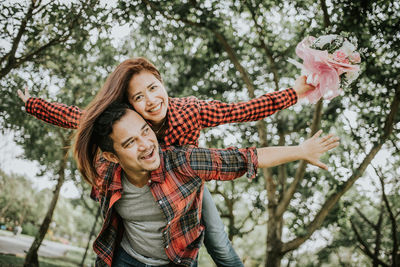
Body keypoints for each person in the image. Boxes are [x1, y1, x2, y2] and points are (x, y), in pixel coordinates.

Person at [18, 57, 316, 266]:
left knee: (219, 245)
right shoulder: (125, 123)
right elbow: (77, 118)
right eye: (138, 97)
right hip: (142, 188)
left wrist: (294, 93)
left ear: (162, 83)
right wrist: (33, 104)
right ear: (129, 104)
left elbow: (242, 110)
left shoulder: (190, 111)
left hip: (187, 182)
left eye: (153, 87)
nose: (150, 100)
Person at [78, 102, 338, 267]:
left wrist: (300, 149)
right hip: (125, 259)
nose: (146, 144)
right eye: (130, 142)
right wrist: (33, 102)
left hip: (175, 261)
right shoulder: (105, 172)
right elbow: (76, 120)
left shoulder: (182, 162)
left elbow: (243, 159)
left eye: (145, 131)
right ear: (112, 156)